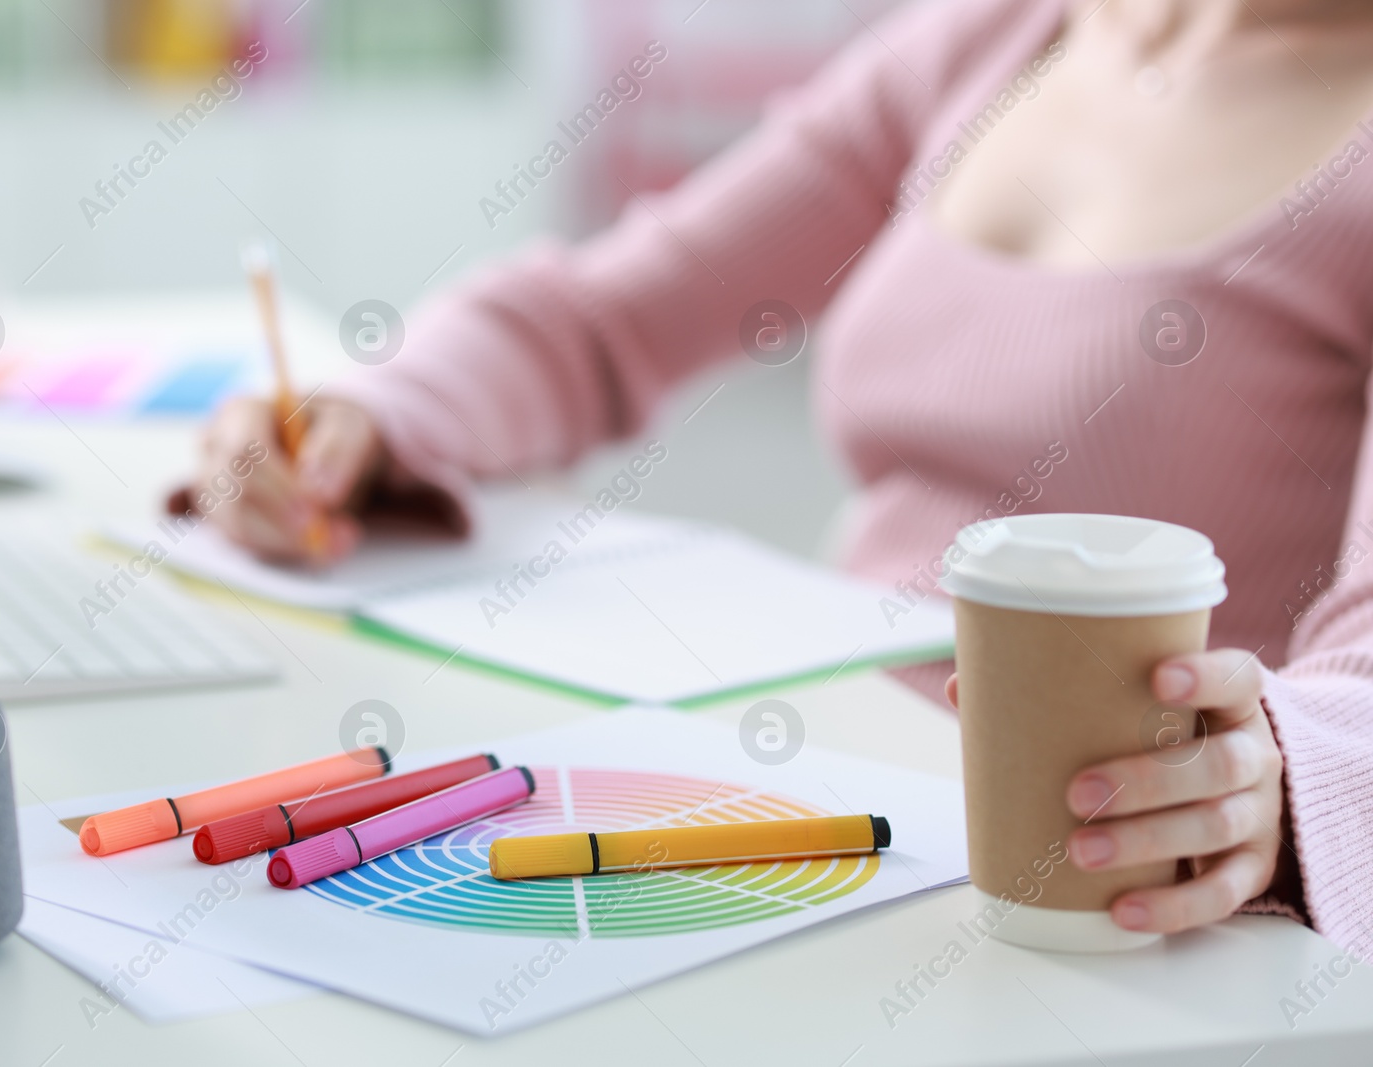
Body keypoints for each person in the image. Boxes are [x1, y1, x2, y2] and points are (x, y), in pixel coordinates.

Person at [194, 0, 1373, 950]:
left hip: (1106, 882)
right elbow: (611, 318)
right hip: (815, 793)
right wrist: (373, 414)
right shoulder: (987, 36)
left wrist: (1269, 780)